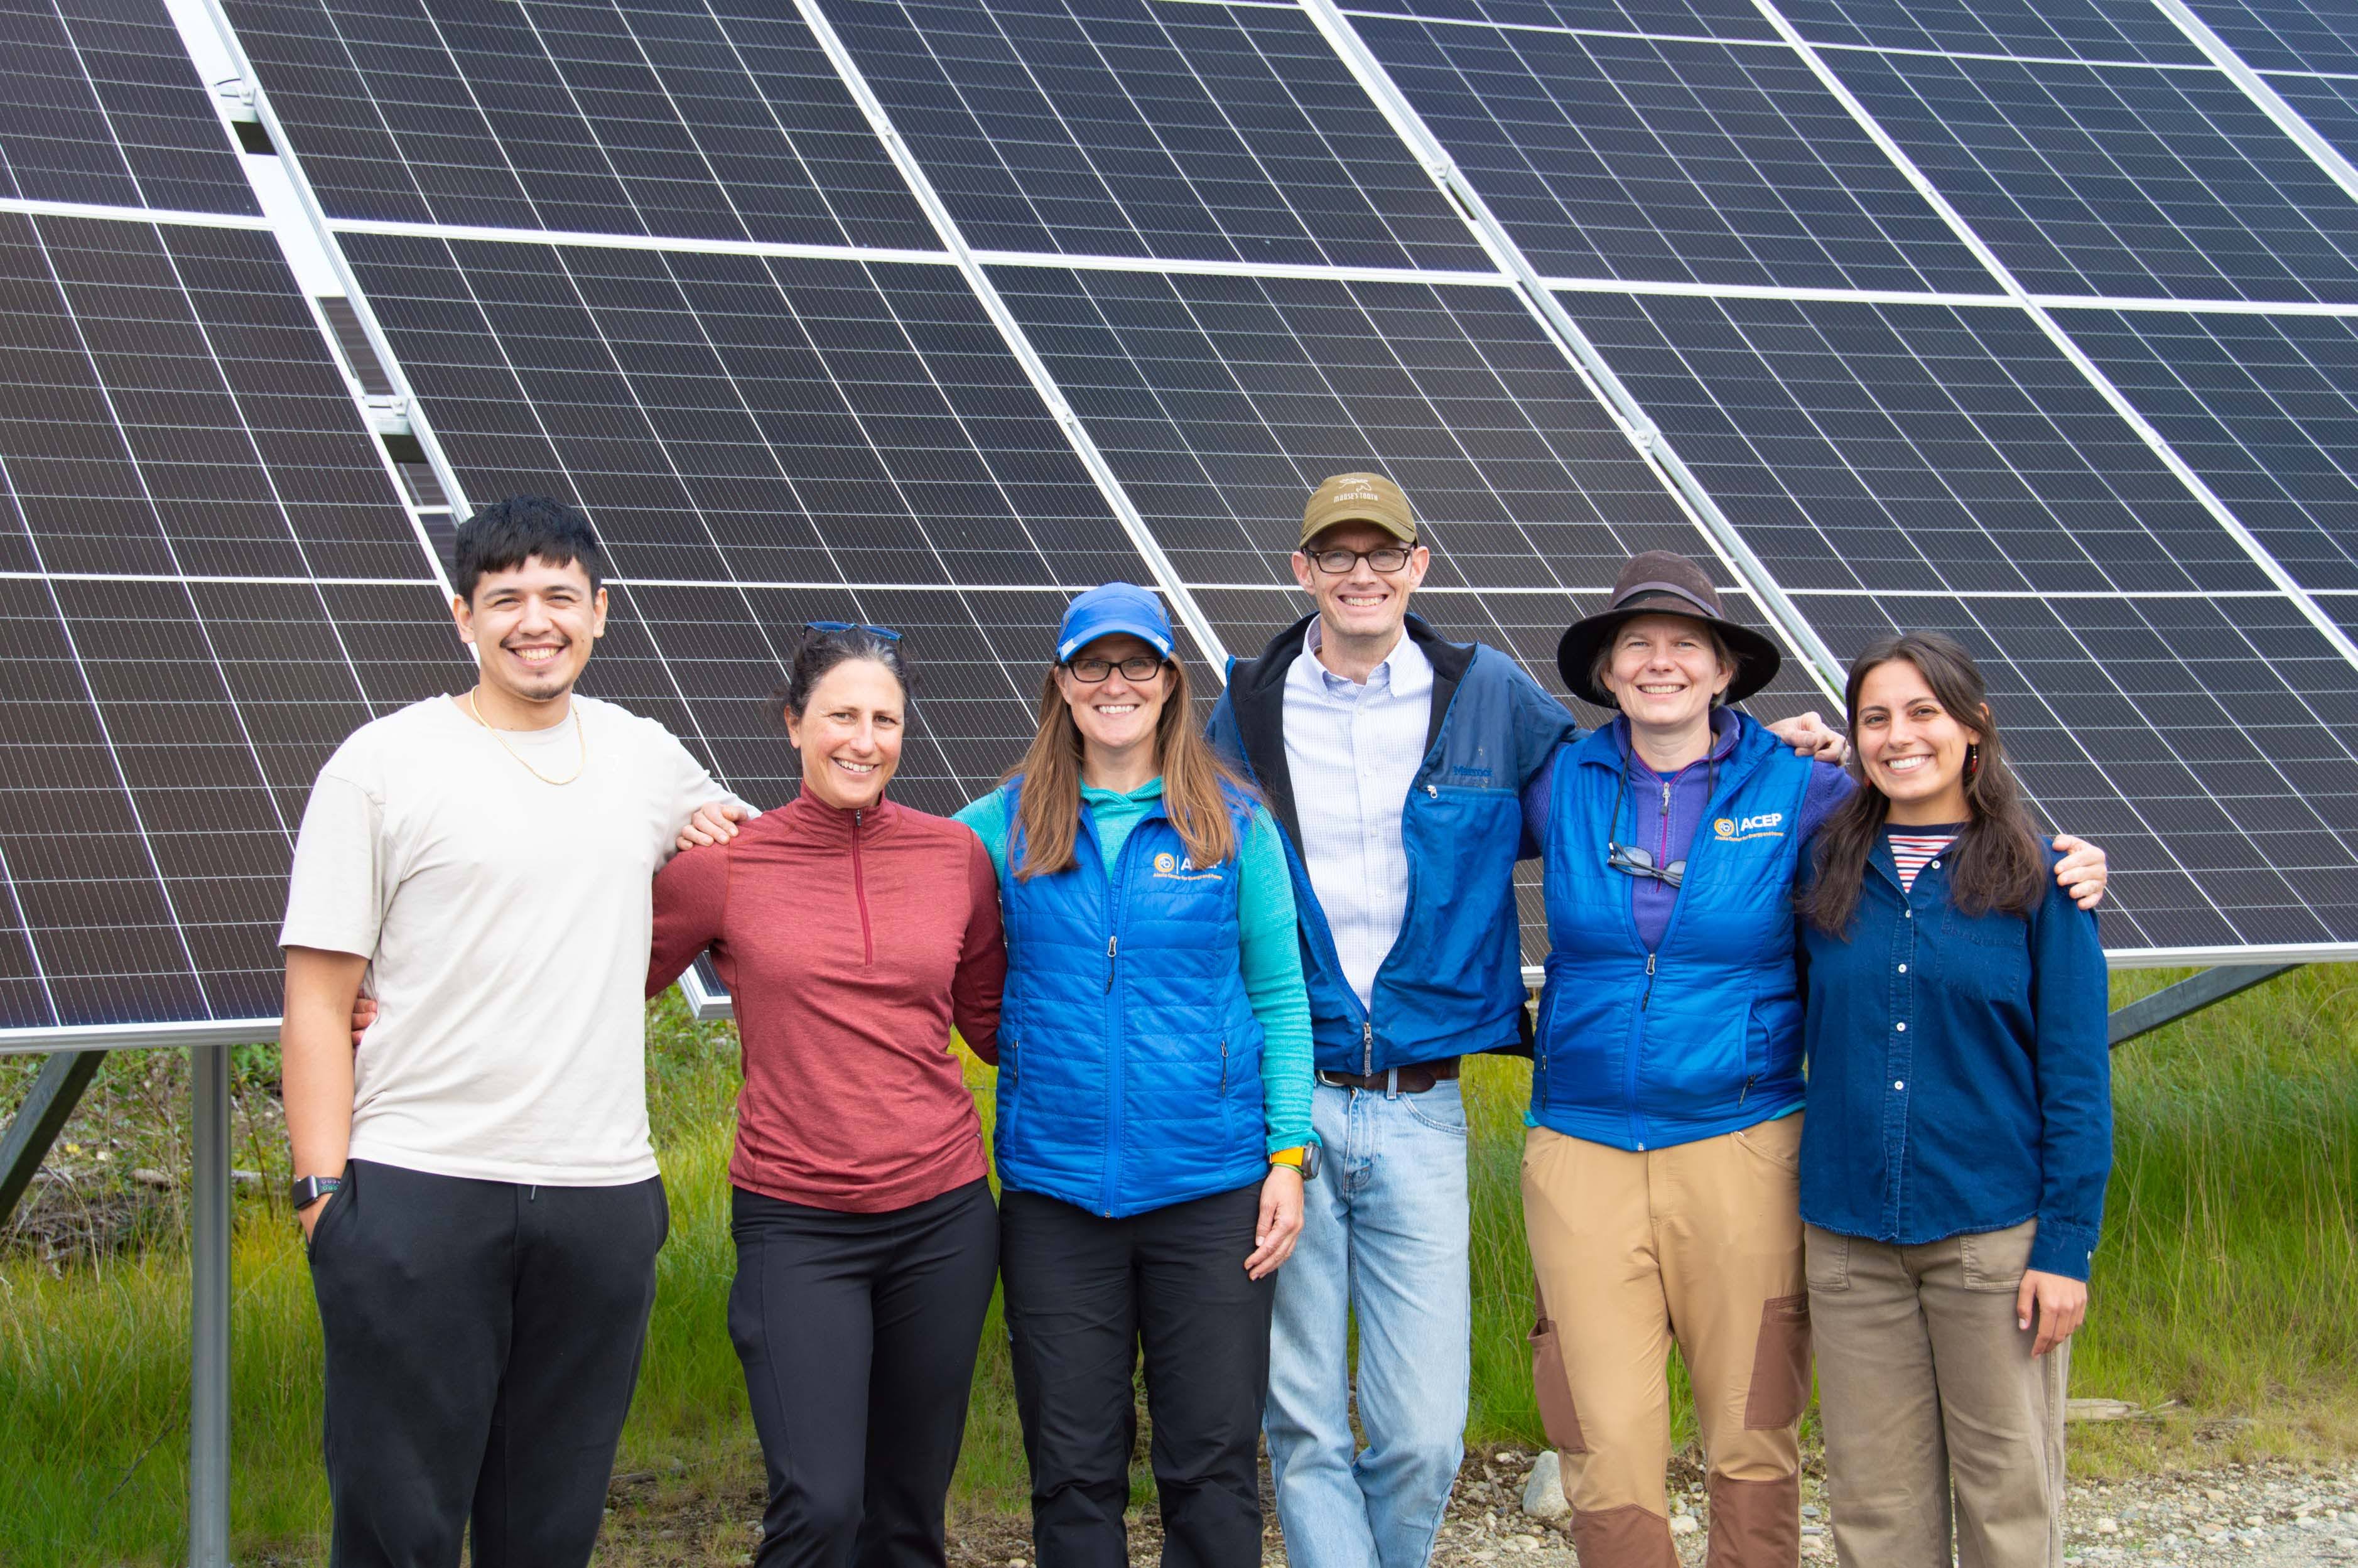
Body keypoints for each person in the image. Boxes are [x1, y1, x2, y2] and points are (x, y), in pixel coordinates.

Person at [1206, 477, 1844, 1568]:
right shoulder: (1265, 707)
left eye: (1384, 552)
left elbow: (1917, 833)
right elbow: (1182, 826)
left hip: (1564, 1119)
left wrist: (2048, 849)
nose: (1363, 573)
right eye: (1337, 554)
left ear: (1420, 564)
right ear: (1303, 570)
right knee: (1368, 1424)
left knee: (1458, 1431)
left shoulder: (1776, 782)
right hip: (1387, 1108)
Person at [1517, 554, 2108, 1568]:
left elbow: (1946, 814)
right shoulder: (1560, 783)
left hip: (1753, 1143)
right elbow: (1436, 865)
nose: (1662, 663)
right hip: (1595, 1145)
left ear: (1725, 670)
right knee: (1614, 1438)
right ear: (1608, 672)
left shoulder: (1809, 794)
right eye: (1638, 646)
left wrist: (2071, 857)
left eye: (1686, 644)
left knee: (1765, 1428)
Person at [279, 497, 749, 1567]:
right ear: (463, 617)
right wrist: (320, 1196)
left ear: (600, 612)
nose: (535, 622)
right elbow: (315, 996)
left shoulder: (645, 756)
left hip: (601, 1197)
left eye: (558, 597)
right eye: (506, 600)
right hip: (416, 1186)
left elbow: (746, 858)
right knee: (398, 1525)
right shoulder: (382, 764)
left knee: (549, 1528)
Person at [953, 581, 1316, 1568]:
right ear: (1061, 684)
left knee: (1209, 1462)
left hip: (1211, 1189)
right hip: (1055, 1193)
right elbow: (912, 920)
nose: (1116, 683)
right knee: (1072, 1466)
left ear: (1169, 682)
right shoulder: (996, 826)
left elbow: (1281, 999)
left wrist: (1288, 1153)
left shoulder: (1233, 823)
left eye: (1137, 664)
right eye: (1093, 665)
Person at [646, 624, 1007, 1568]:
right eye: (841, 714)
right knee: (818, 1505)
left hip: (945, 1219)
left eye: (885, 718)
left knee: (907, 1516)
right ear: (793, 723)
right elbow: (595, 975)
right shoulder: (726, 863)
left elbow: (996, 1025)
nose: (864, 738)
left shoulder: (954, 857)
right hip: (797, 1224)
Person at [1796, 632, 2111, 1568]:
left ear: (1974, 728)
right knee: (1875, 1509)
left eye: (1924, 711)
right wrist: (1772, 746)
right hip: (1850, 1245)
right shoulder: (1817, 871)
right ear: (1854, 737)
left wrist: (2065, 1246)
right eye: (1877, 717)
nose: (1901, 736)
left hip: (1991, 1245)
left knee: (2009, 1503)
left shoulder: (2044, 882)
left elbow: (2078, 1085)